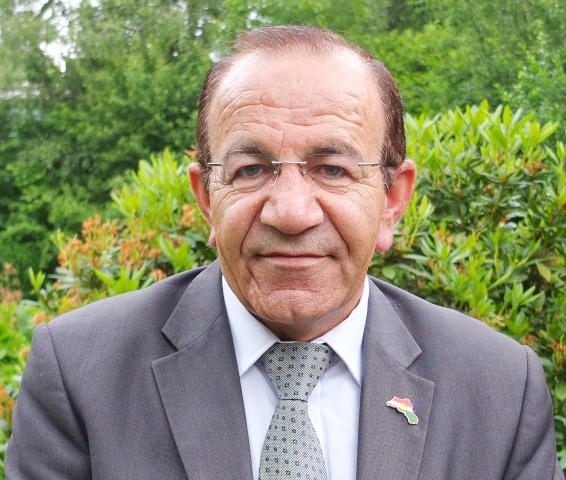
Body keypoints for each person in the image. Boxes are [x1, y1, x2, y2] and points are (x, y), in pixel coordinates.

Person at [6, 25, 563, 480]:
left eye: (332, 169)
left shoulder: (498, 389)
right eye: (251, 169)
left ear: (392, 200)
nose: (292, 212)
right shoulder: (80, 374)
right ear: (205, 198)